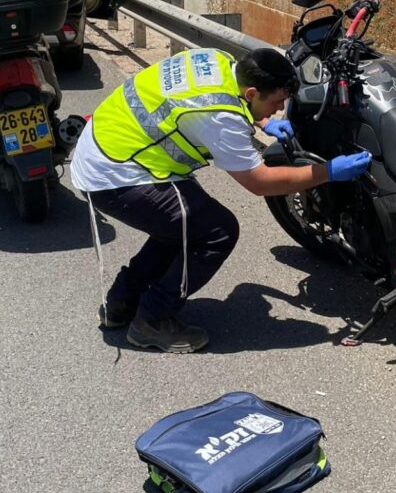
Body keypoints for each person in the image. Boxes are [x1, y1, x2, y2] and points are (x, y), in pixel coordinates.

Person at [70, 47, 372, 353]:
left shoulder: (220, 59)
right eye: (275, 102)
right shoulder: (222, 119)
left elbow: (216, 100)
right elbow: (259, 182)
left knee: (180, 227)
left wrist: (262, 121)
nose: (279, 109)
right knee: (216, 231)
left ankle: (121, 303)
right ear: (252, 93)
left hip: (106, 144)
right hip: (115, 174)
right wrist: (328, 172)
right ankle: (152, 321)